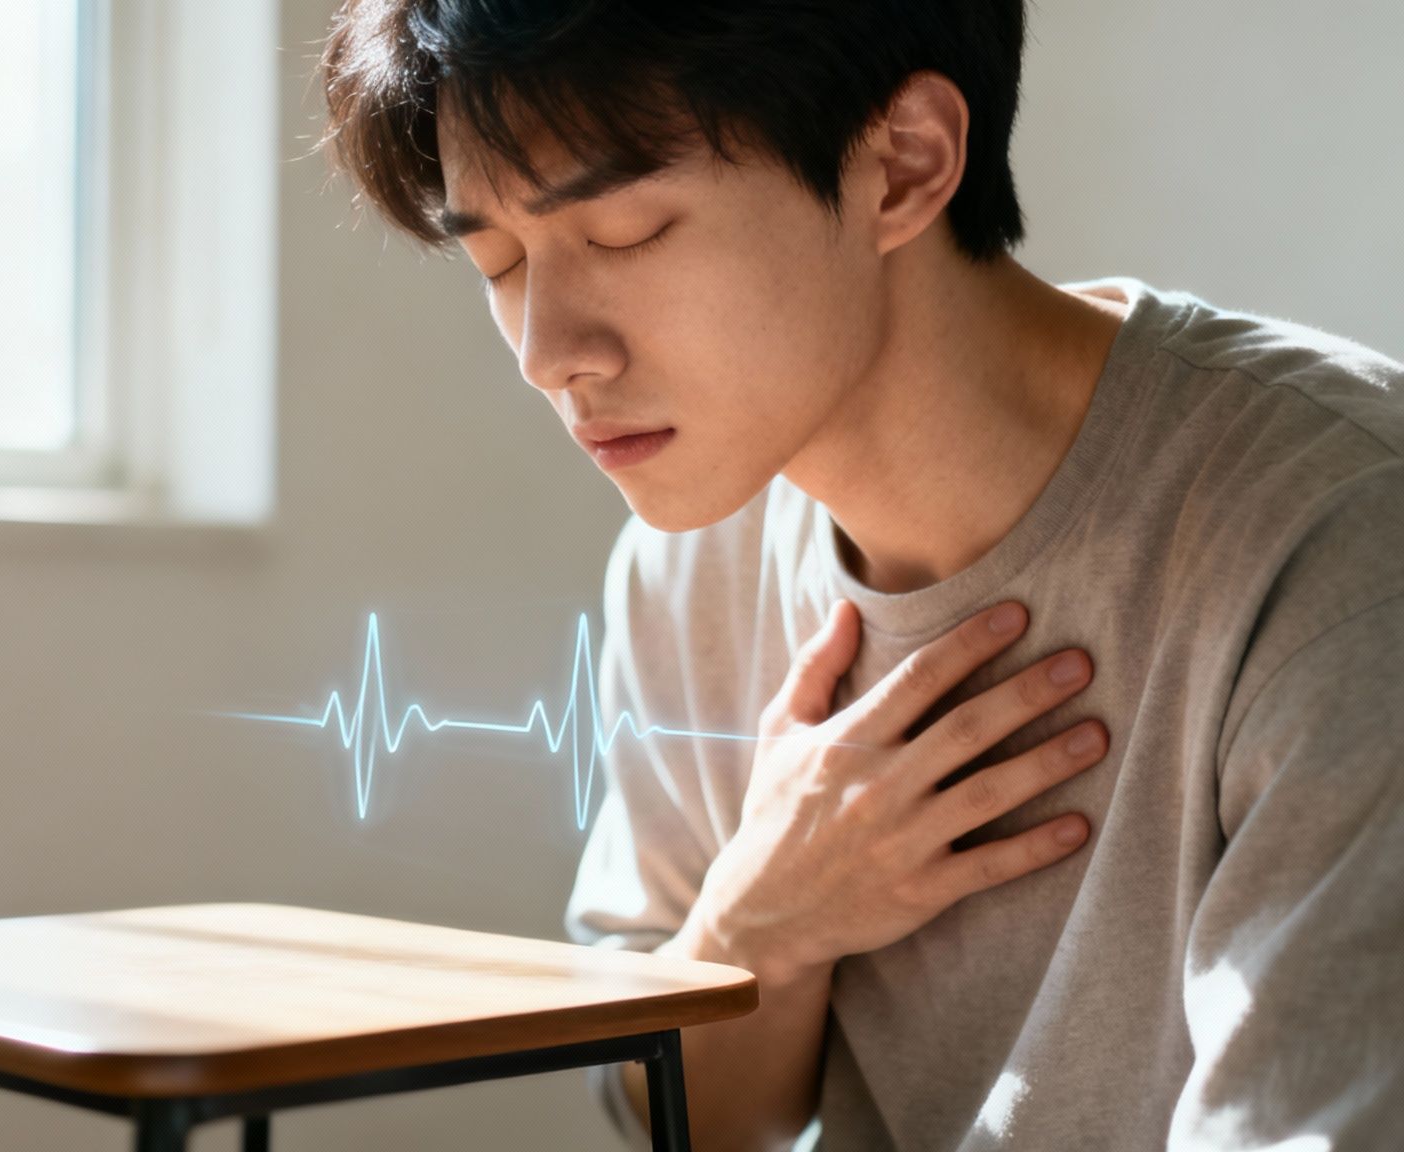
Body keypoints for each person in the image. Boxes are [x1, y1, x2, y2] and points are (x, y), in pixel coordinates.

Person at [314, 1, 1404, 1149]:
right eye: (495, 259)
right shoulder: (692, 563)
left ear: (901, 166)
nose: (546, 355)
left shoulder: (1335, 541)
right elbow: (684, 1122)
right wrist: (758, 929)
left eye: (624, 230)